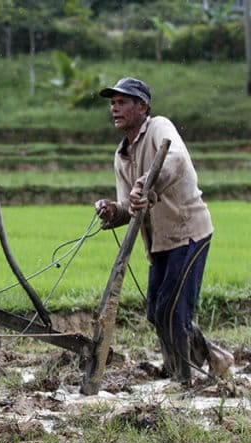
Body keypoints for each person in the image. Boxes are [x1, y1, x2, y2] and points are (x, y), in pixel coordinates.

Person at [93, 76, 233, 385]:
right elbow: (130, 205)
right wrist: (113, 210)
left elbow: (176, 161)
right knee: (156, 312)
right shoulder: (122, 156)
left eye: (122, 102)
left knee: (172, 310)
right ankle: (214, 358)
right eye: (112, 103)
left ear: (142, 106)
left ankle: (183, 378)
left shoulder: (159, 127)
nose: (115, 108)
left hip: (188, 232)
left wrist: (146, 186)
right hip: (159, 243)